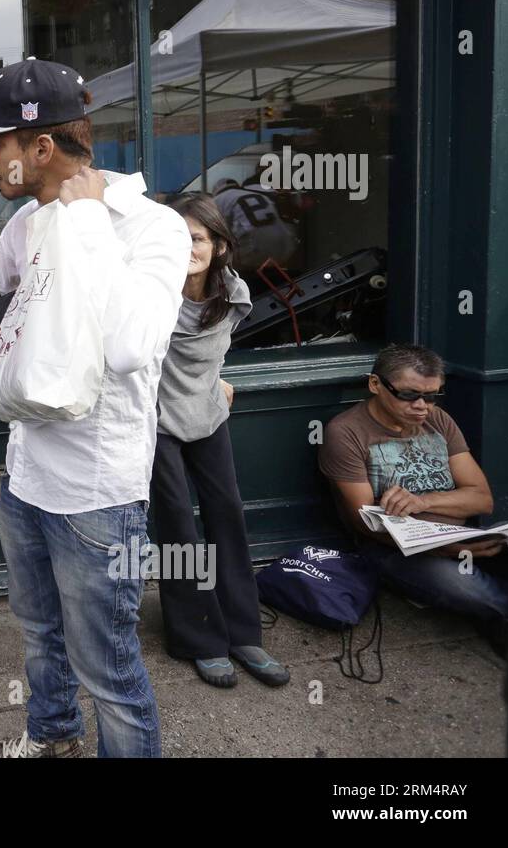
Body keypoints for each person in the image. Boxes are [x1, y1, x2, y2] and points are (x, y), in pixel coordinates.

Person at [0, 57, 190, 758]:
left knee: (107, 667)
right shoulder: (25, 221)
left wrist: (85, 225)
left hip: (97, 497)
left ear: (39, 148)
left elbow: (136, 348)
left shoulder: (150, 227)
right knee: (40, 636)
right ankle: (51, 738)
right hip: (25, 480)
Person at [148, 194, 289, 688]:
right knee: (176, 527)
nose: (187, 246)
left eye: (198, 238)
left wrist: (219, 380)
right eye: (178, 236)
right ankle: (198, 638)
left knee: (227, 513)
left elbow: (213, 354)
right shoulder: (148, 294)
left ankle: (243, 631)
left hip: (208, 413)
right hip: (157, 420)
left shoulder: (234, 293)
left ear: (220, 245)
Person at [319, 344, 508, 656]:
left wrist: (425, 503)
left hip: (461, 534)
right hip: (394, 548)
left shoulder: (438, 420)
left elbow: (481, 499)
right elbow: (365, 524)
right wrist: (449, 550)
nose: (423, 405)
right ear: (375, 385)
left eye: (432, 395)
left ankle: (495, 611)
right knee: (468, 589)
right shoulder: (346, 432)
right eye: (409, 395)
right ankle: (493, 609)